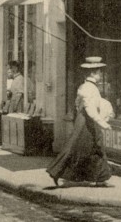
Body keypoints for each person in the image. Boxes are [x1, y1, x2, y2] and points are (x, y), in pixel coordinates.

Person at [46, 57, 113, 188]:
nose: (101, 75)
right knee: (77, 147)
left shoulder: (86, 86)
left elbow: (78, 104)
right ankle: (56, 171)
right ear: (93, 73)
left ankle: (100, 177)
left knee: (94, 147)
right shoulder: (89, 88)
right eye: (99, 72)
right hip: (86, 122)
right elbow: (90, 109)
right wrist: (102, 123)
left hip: (84, 120)